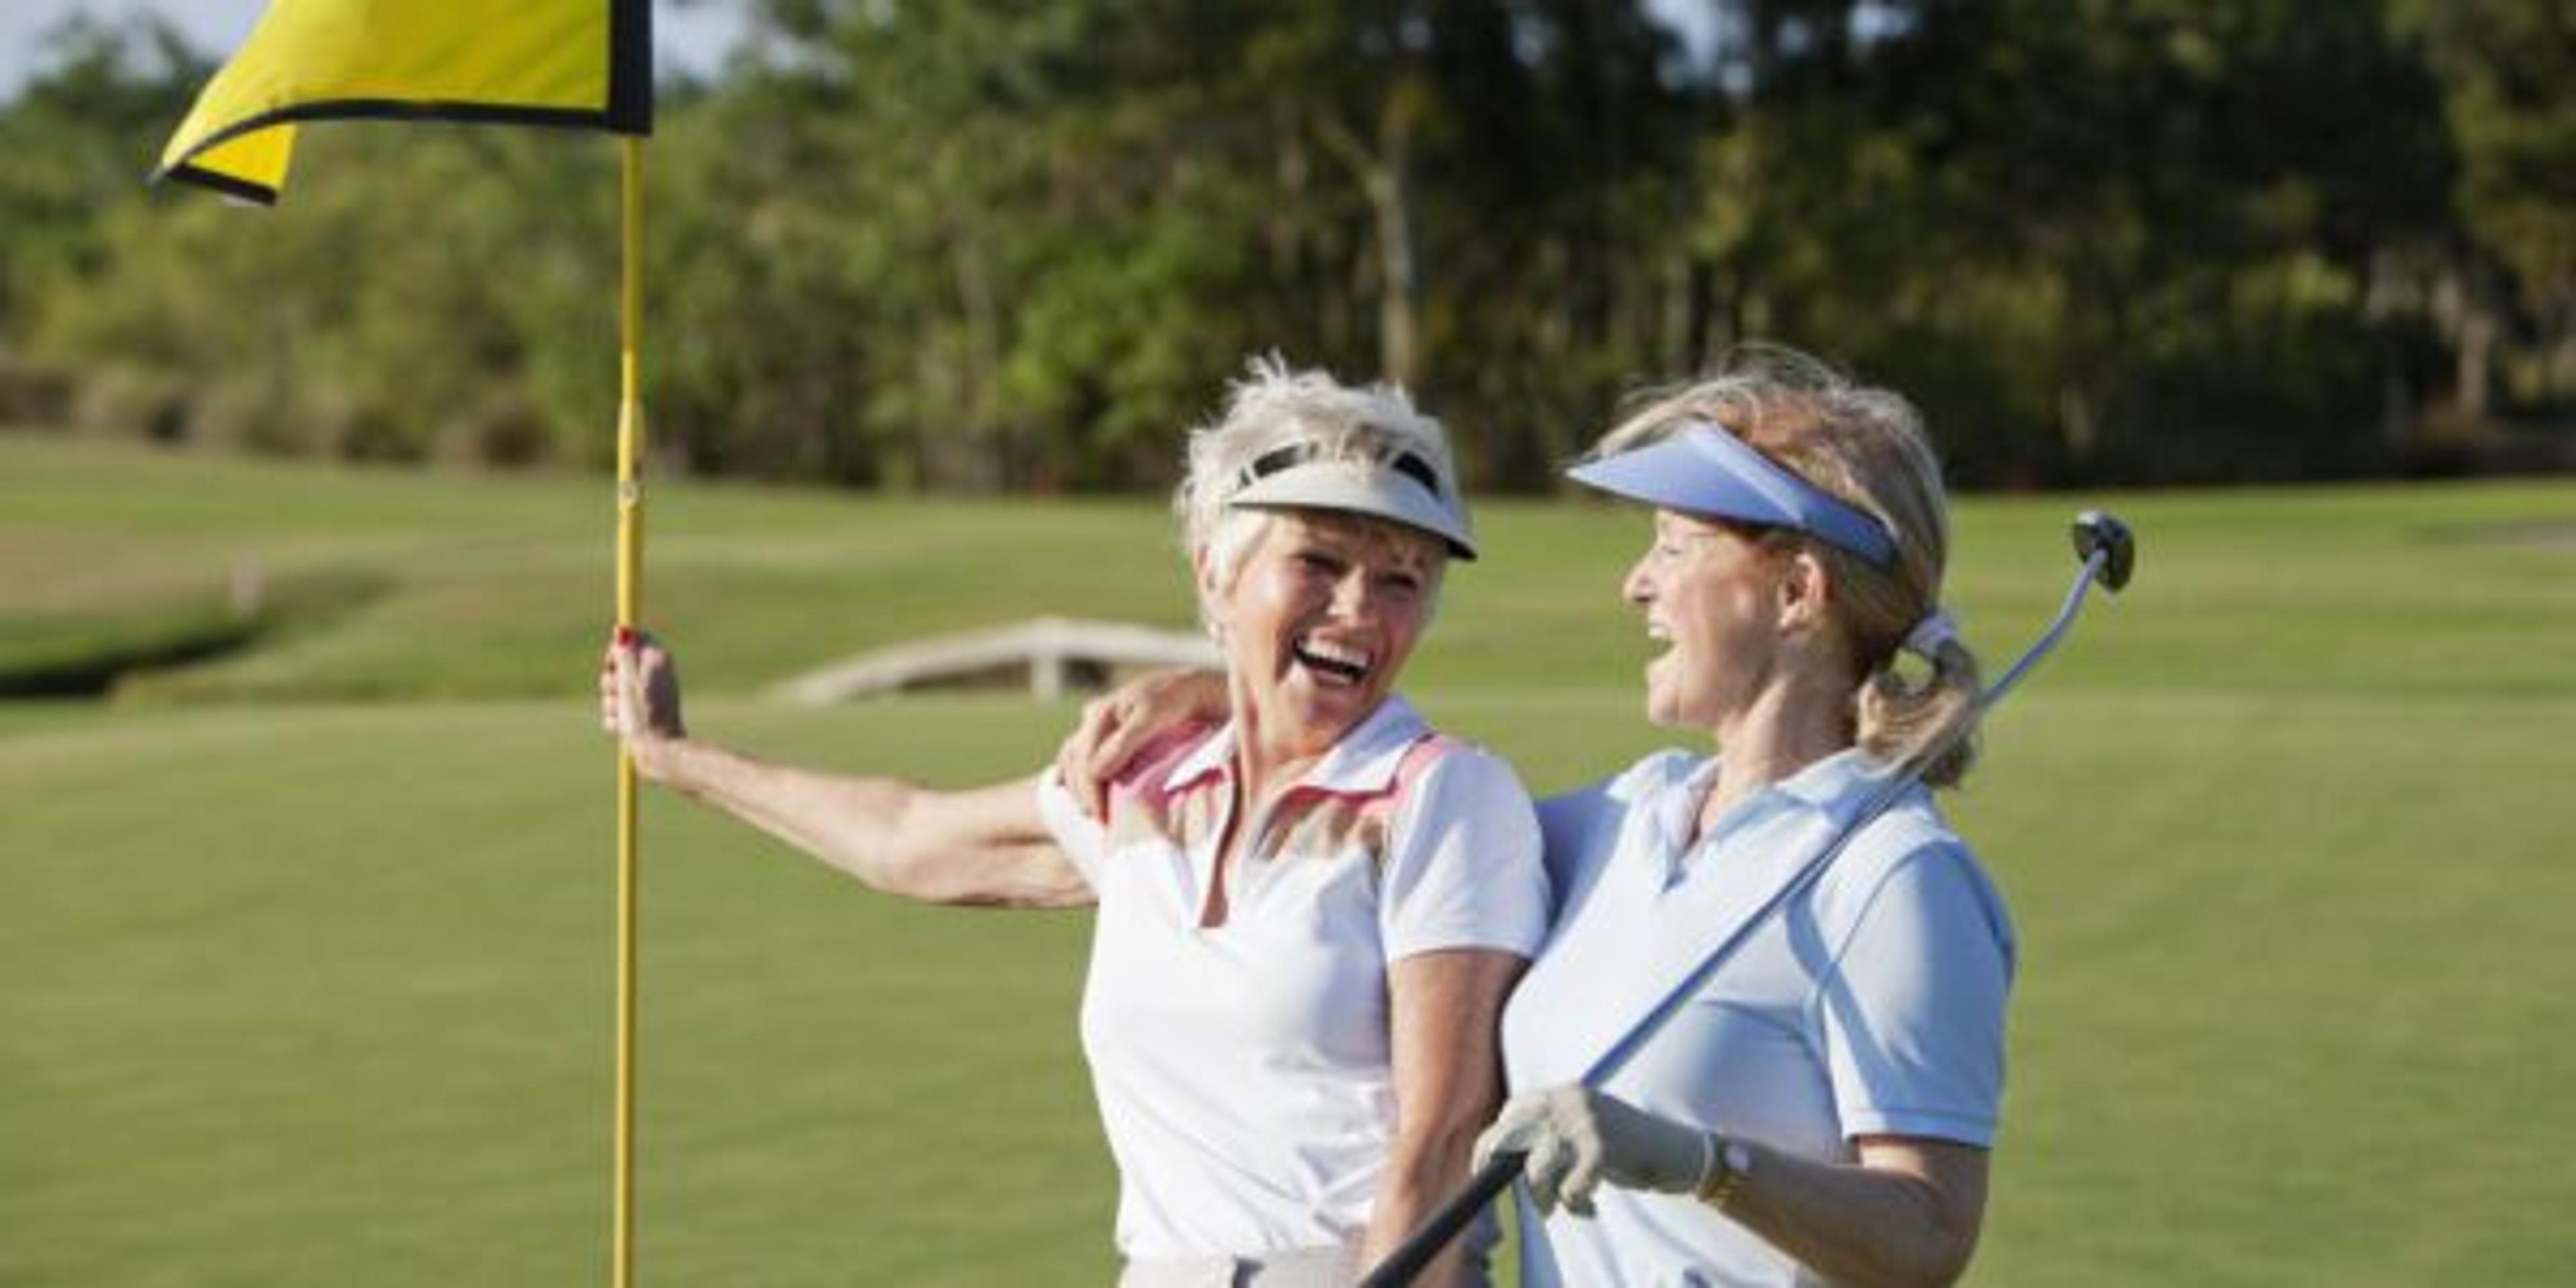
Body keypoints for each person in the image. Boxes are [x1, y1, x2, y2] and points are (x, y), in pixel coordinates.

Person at [1057, 346, 2012, 1288]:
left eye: (1675, 547)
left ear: (1798, 591)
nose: (1636, 583)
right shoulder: (1628, 820)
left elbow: (1929, 1233)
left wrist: (1701, 1164)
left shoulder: (1894, 874)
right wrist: (1234, 692)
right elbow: (1379, 830)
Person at [599, 357, 1550, 1287]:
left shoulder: (1446, 799)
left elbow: (1442, 1136)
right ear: (1216, 574)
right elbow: (911, 840)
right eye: (1319, 561)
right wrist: (678, 759)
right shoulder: (1150, 780)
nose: (1359, 609)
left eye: (1403, 580)